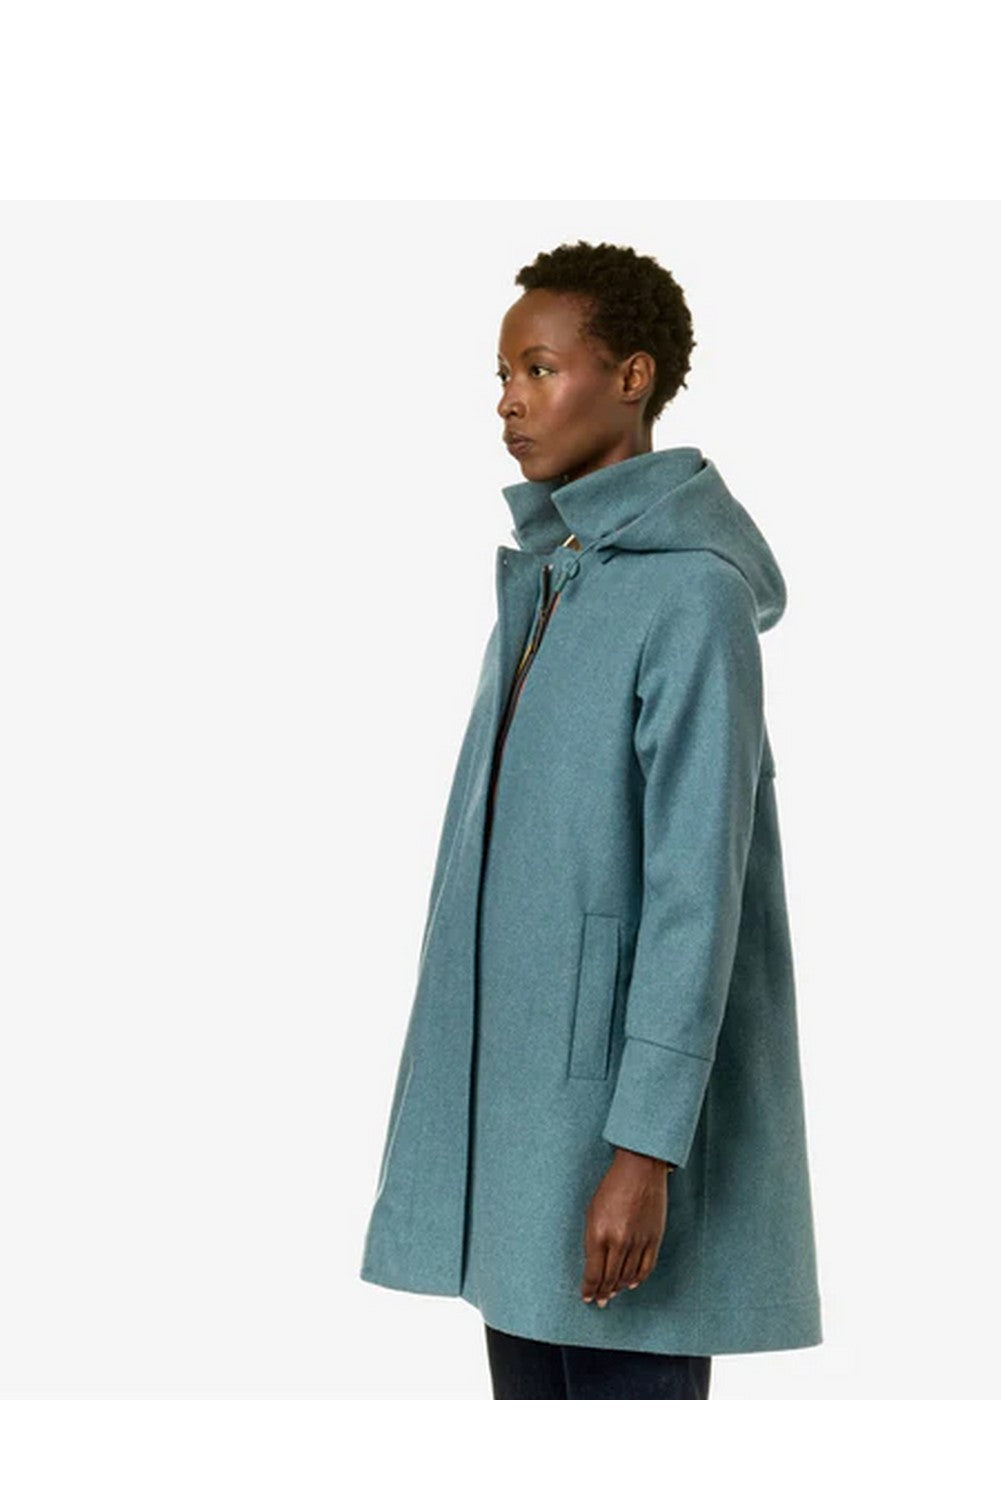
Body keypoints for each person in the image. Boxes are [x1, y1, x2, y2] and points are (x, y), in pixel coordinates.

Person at [360, 240, 822, 1400]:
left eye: (539, 368)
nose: (509, 401)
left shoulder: (694, 596)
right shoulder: (551, 579)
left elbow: (695, 894)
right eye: (502, 374)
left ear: (632, 375)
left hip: (614, 1138)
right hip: (520, 1132)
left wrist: (645, 1150)